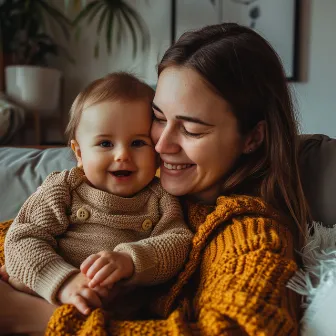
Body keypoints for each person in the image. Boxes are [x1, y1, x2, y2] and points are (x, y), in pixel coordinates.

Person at [0, 22, 309, 336]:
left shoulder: (249, 232)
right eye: (159, 118)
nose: (161, 145)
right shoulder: (104, 186)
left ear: (252, 138)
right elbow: (23, 237)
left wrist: (32, 317)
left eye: (192, 129)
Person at [1, 72, 193, 316]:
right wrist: (64, 282)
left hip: (116, 307)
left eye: (137, 143)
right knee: (18, 273)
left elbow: (177, 243)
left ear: (156, 152)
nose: (122, 155)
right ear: (79, 153)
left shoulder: (160, 197)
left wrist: (130, 260)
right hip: (54, 289)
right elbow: (22, 239)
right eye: (105, 144)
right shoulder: (64, 188)